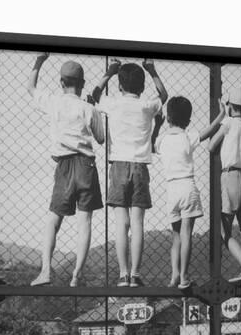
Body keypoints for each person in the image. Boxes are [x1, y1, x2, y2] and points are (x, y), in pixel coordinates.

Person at [27, 53, 105, 287]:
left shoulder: (53, 101)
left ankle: (46, 271)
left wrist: (39, 62)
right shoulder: (88, 108)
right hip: (86, 165)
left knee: (54, 219)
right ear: (82, 85)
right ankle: (77, 274)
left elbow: (31, 87)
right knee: (85, 222)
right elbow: (101, 138)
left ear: (61, 83)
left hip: (64, 166)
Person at [92, 59, 168, 287]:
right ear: (142, 87)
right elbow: (163, 95)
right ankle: (135, 274)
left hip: (118, 166)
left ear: (120, 86)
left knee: (120, 223)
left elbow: (94, 95)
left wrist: (109, 71)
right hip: (140, 166)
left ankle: (123, 275)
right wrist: (153, 70)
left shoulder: (113, 103)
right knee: (137, 223)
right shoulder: (146, 105)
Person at [153, 96, 225, 288]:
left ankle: (174, 275)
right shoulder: (188, 136)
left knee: (176, 236)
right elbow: (208, 131)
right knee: (187, 234)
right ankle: (184, 277)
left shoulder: (161, 140)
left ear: (168, 117)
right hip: (188, 187)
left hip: (171, 190)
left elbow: (153, 143)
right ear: (188, 120)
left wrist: (158, 124)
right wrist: (222, 114)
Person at [209, 87, 241, 283]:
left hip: (229, 176)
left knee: (224, 230)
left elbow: (211, 145)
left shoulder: (229, 122)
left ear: (230, 106)